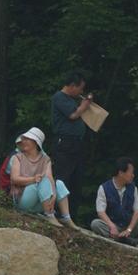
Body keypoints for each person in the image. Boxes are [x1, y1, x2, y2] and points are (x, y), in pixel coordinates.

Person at [8, 126, 79, 229]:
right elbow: (14, 179)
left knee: (58, 183)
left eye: (27, 139)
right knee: (43, 181)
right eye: (24, 139)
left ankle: (66, 217)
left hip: (40, 201)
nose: (24, 141)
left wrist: (54, 194)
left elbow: (50, 178)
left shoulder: (45, 159)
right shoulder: (17, 157)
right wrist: (33, 179)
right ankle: (49, 215)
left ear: (36, 143)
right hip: (22, 199)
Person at [49, 70, 91, 198]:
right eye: (80, 88)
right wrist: (85, 105)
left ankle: (72, 212)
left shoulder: (73, 100)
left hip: (77, 142)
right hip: (65, 142)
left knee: (76, 178)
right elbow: (73, 115)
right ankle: (59, 210)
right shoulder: (59, 97)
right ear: (72, 85)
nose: (81, 92)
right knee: (63, 177)